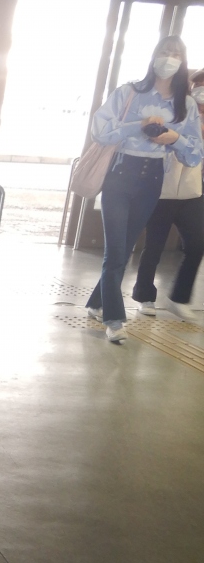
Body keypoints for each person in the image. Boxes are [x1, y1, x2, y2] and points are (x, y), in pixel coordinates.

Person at [84, 35, 203, 343]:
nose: (169, 58)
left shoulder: (186, 105)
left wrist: (174, 138)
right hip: (120, 174)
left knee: (124, 248)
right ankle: (114, 319)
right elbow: (100, 131)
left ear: (183, 62)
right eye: (164, 52)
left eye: (176, 54)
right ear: (154, 56)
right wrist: (138, 125)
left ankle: (96, 302)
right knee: (116, 251)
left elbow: (194, 154)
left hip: (152, 180)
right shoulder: (129, 92)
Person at [131, 66, 204, 320]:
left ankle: (179, 297)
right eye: (199, 86)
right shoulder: (177, 109)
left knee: (198, 244)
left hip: (192, 193)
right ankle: (145, 296)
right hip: (162, 189)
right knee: (154, 246)